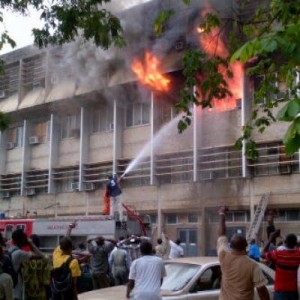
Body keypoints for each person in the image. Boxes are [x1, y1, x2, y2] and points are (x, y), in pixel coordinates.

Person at [217, 206, 270, 300]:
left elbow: (222, 234)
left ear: (231, 246)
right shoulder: (252, 265)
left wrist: (222, 214)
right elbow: (261, 290)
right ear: (246, 246)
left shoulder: (223, 255)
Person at [263, 230, 300, 300]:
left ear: (285, 242)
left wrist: (270, 238)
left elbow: (263, 253)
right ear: (295, 243)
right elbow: (295, 244)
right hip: (293, 291)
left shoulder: (278, 254)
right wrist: (282, 236)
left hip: (280, 291)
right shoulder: (298, 255)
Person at [9, 229, 44, 300]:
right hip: (16, 291)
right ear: (22, 239)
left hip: (9, 289)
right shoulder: (19, 253)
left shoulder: (10, 250)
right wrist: (31, 243)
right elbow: (40, 256)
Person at [52, 235, 82, 300]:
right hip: (68, 295)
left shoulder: (55, 254)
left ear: (61, 248)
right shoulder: (73, 261)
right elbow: (74, 285)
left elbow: (63, 243)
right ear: (71, 247)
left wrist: (70, 228)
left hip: (56, 293)